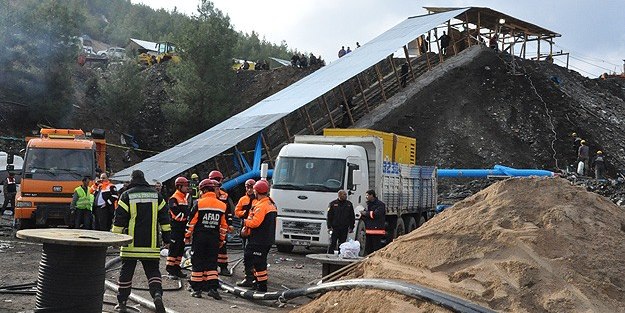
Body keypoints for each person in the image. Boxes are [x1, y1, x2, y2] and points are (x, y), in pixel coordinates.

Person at [112, 170, 170, 313]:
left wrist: (115, 237)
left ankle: (123, 302)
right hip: (151, 245)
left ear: (132, 180)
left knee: (126, 272)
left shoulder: (127, 195)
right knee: (153, 271)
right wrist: (167, 239)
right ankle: (157, 295)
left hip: (130, 244)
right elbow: (165, 219)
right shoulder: (156, 196)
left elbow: (120, 219)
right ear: (144, 179)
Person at [185, 179, 227, 300]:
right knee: (211, 264)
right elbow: (223, 226)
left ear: (203, 190)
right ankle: (213, 289)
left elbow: (191, 223)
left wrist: (187, 236)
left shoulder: (199, 203)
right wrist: (221, 239)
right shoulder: (222, 205)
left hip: (200, 238)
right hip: (213, 239)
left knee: (197, 263)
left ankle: (197, 289)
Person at [237, 180, 277, 292]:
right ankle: (257, 282)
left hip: (259, 240)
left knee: (256, 261)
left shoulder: (261, 206)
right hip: (265, 239)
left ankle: (261, 286)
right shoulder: (270, 203)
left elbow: (255, 223)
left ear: (256, 191)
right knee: (257, 261)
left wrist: (244, 222)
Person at [208, 170, 233, 276]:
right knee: (210, 247)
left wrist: (230, 223)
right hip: (210, 224)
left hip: (221, 224)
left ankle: (223, 267)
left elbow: (229, 211)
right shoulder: (206, 195)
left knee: (222, 246)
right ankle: (211, 267)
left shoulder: (224, 196)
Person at [166, 176, 190, 279]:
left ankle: (177, 267)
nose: (187, 188)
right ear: (179, 186)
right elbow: (177, 215)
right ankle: (170, 269)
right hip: (176, 228)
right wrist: (186, 217)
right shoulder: (174, 198)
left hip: (182, 228)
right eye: (185, 186)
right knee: (174, 249)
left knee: (180, 249)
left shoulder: (184, 198)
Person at [359, 189, 386, 255]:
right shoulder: (368, 204)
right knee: (368, 248)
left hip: (377, 230)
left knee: (376, 248)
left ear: (372, 195)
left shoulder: (380, 204)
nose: (366, 197)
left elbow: (376, 214)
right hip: (369, 230)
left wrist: (365, 213)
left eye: (367, 195)